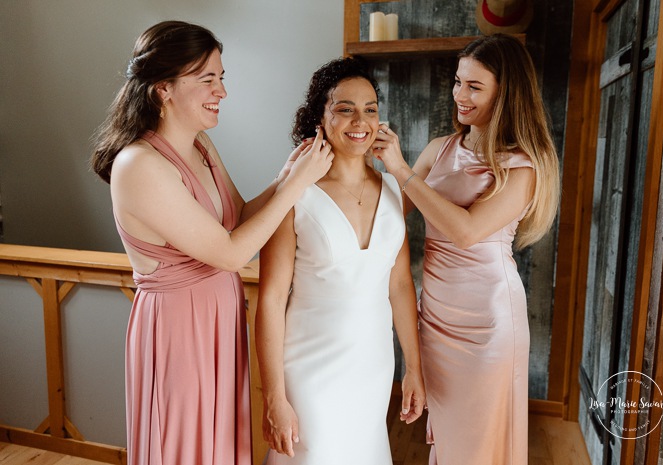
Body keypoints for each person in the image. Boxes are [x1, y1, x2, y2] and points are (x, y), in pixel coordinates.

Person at [90, 21, 333, 465]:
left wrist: (286, 176)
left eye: (222, 78)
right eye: (208, 80)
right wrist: (296, 185)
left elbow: (238, 217)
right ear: (164, 88)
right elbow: (233, 252)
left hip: (219, 321)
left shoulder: (201, 145)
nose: (222, 91)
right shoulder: (138, 165)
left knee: (220, 445)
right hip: (178, 330)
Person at [373, 33, 560, 465]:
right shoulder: (441, 148)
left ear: (506, 93)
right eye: (458, 82)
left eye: (474, 86)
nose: (460, 94)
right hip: (436, 313)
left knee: (478, 446)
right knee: (449, 440)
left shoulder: (523, 165)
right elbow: (388, 212)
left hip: (488, 322)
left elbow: (466, 232)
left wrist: (400, 168)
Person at [255, 57, 426, 465]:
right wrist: (274, 396)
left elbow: (400, 285)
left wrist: (414, 368)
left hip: (373, 365)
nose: (360, 120)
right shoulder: (297, 192)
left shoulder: (392, 188)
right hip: (308, 369)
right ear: (321, 116)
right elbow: (272, 298)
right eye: (344, 108)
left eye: (370, 108)